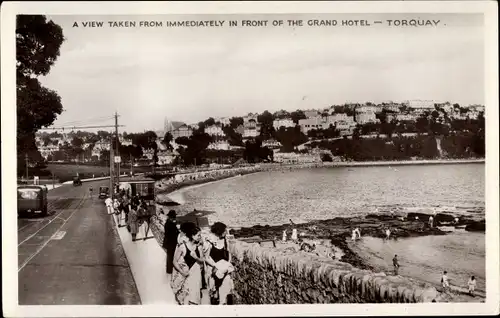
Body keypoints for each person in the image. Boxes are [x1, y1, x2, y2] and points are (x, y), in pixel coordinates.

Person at [171, 222, 204, 305]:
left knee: (194, 299)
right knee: (186, 297)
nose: (200, 237)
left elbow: (202, 260)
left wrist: (196, 257)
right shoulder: (183, 247)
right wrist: (182, 272)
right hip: (187, 275)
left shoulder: (199, 247)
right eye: (198, 235)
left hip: (196, 275)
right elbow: (174, 261)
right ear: (192, 236)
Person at [203, 222, 234, 305]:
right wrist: (216, 266)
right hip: (213, 268)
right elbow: (206, 257)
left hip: (224, 269)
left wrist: (227, 264)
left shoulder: (225, 240)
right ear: (219, 231)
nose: (226, 232)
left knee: (225, 288)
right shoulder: (210, 241)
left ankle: (223, 304)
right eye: (224, 231)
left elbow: (229, 253)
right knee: (214, 291)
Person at [162, 210, 179, 275]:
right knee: (171, 256)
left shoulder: (168, 222)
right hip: (171, 243)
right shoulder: (171, 224)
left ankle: (169, 269)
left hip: (168, 242)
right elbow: (175, 233)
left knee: (169, 256)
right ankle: (170, 270)